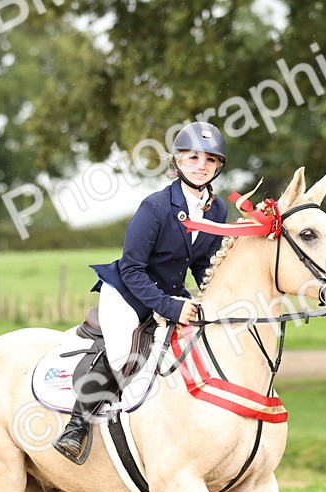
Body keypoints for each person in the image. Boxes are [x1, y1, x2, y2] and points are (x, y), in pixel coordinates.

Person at [52, 121, 230, 463]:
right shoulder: (156, 207)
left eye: (210, 159)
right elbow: (133, 269)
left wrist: (214, 296)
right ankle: (77, 426)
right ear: (177, 161)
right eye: (193, 157)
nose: (201, 166)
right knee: (125, 357)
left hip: (172, 294)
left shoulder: (218, 209)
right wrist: (170, 307)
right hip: (127, 294)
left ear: (218, 166)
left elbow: (203, 263)